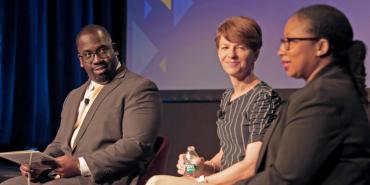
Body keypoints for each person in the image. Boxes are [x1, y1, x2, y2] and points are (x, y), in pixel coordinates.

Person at [1, 24, 161, 185]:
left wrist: (80, 165)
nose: (97, 59)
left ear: (114, 49)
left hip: (104, 178)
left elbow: (136, 145)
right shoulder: (74, 95)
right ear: (81, 60)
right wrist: (37, 165)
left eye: (102, 50)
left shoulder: (139, 88)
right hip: (64, 177)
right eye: (88, 54)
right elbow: (59, 145)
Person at [147, 16, 281, 185]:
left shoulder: (263, 98)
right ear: (218, 52)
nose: (231, 55)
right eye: (225, 47)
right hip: (223, 181)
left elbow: (251, 166)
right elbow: (225, 155)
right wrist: (200, 167)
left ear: (255, 54)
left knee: (157, 182)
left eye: (240, 47)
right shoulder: (228, 97)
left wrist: (203, 181)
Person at [245, 4, 370, 185]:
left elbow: (285, 179)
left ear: (321, 46)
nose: (281, 50)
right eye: (282, 42)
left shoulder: (321, 97)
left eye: (290, 41)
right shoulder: (330, 89)